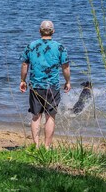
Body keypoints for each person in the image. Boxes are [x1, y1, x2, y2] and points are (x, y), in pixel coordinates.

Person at [19, 20, 71, 148]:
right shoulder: (60, 47)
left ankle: (36, 146)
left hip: (36, 86)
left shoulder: (31, 46)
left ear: (39, 31)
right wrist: (68, 82)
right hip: (52, 86)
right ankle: (47, 147)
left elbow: (25, 64)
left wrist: (22, 81)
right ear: (53, 31)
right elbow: (65, 67)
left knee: (36, 116)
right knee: (50, 117)